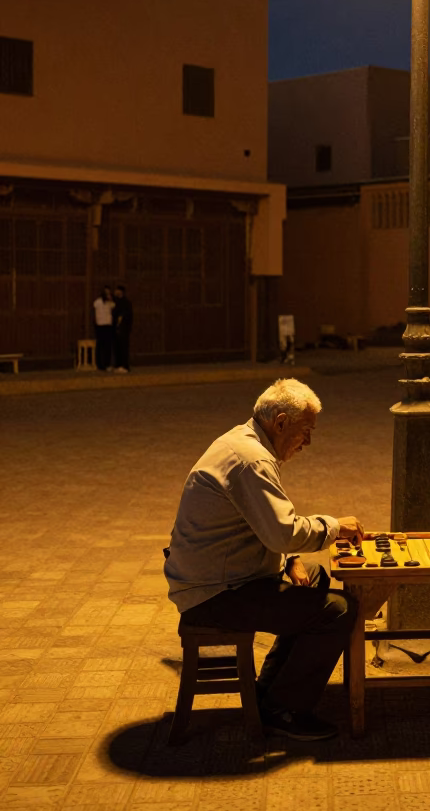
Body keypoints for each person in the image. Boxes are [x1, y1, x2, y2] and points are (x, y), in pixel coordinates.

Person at [164, 378, 363, 741]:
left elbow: (264, 525)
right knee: (339, 609)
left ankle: (270, 694)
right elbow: (282, 531)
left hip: (221, 576)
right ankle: (286, 710)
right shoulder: (252, 460)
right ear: (282, 422)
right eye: (306, 431)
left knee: (314, 575)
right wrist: (333, 526)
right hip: (214, 593)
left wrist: (288, 559)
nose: (309, 442)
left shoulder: (243, 442)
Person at [92, 285, 115, 371]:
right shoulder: (97, 302)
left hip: (108, 325)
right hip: (100, 325)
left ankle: (107, 364)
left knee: (108, 345)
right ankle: (100, 364)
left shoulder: (110, 303)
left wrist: (111, 299)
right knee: (100, 345)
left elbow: (114, 305)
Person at [112, 285, 133, 373]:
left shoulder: (126, 302)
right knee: (117, 347)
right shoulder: (115, 301)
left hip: (124, 328)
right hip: (116, 327)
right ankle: (118, 365)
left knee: (124, 347)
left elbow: (129, 315)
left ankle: (125, 366)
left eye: (118, 290)